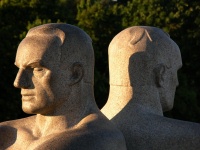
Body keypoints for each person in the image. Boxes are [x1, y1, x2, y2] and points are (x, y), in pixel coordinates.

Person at [0, 23, 126, 150]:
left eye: (37, 69)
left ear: (75, 74)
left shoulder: (98, 140)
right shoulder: (7, 133)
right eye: (18, 69)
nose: (18, 82)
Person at [101, 26, 200, 150]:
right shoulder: (193, 137)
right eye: (176, 71)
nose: (177, 82)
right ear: (161, 75)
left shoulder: (83, 134)